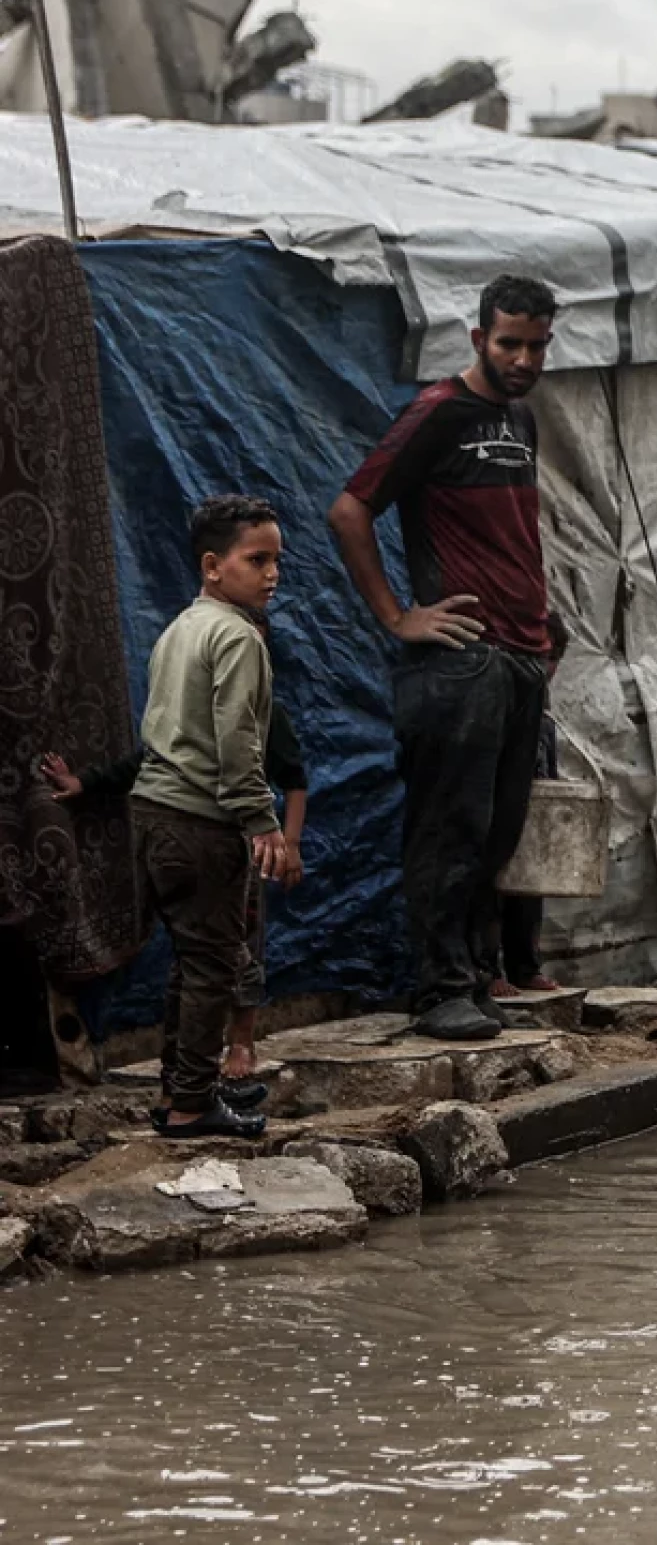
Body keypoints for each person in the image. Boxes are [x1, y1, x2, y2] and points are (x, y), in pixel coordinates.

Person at [329, 275, 565, 1042]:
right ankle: (440, 990)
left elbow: (513, 537)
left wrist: (542, 625)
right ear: (478, 339)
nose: (523, 359)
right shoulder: (438, 411)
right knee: (450, 829)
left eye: (536, 345)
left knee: (498, 833)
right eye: (510, 343)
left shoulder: (519, 417)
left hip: (521, 655)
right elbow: (349, 510)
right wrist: (398, 615)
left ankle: (475, 976)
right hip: (463, 661)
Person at [41, 653, 307, 1103]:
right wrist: (84, 782)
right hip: (185, 840)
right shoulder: (183, 713)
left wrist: (288, 842)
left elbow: (288, 778)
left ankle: (232, 1050)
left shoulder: (262, 712)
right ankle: (184, 1088)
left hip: (237, 843)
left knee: (236, 949)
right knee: (196, 959)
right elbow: (144, 763)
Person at [112, 497, 298, 1138]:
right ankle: (192, 1105)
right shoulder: (237, 637)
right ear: (213, 566)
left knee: (191, 962)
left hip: (153, 814)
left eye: (276, 560)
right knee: (215, 965)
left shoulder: (181, 629)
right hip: (199, 821)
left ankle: (180, 1092)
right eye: (257, 560)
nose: (272, 574)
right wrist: (261, 819)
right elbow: (236, 738)